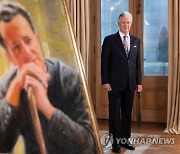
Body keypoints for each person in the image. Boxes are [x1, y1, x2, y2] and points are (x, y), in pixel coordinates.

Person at [0, 1, 97, 154]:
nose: (27, 52)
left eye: (28, 40)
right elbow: (3, 144)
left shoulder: (69, 78)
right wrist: (14, 93)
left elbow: (89, 147)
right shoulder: (7, 87)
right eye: (16, 47)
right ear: (10, 57)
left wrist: (46, 107)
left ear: (37, 38)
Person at [101, 12, 142, 153]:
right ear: (118, 23)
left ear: (131, 23)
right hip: (114, 84)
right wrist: (105, 81)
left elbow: (137, 64)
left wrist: (139, 82)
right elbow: (104, 63)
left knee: (127, 112)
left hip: (130, 84)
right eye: (123, 22)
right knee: (114, 114)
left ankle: (125, 139)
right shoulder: (109, 40)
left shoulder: (136, 41)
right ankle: (115, 142)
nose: (126, 25)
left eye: (128, 23)